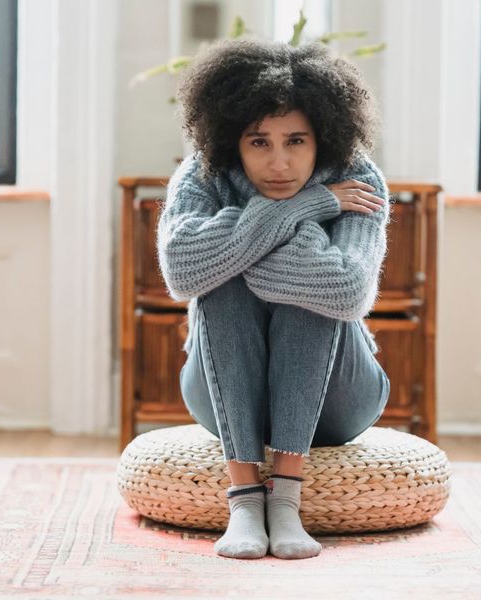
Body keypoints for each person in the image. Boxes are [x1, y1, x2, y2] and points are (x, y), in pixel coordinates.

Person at [157, 37, 392, 560]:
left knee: (308, 288)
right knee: (221, 281)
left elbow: (348, 290)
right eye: (259, 141)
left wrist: (242, 245)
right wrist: (303, 209)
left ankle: (285, 499)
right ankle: (245, 498)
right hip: (219, 397)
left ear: (324, 138)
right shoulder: (203, 175)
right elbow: (181, 271)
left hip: (342, 399)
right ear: (230, 141)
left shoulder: (357, 178)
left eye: (297, 141)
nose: (279, 163)